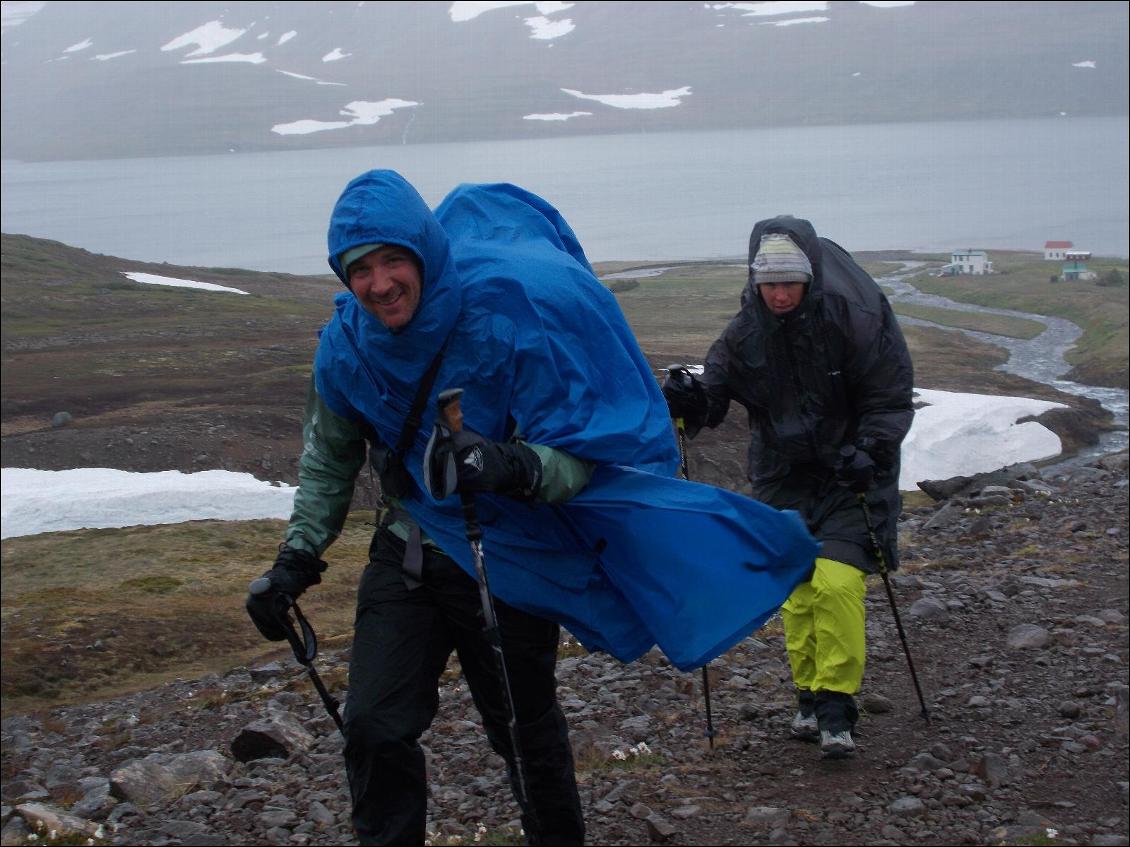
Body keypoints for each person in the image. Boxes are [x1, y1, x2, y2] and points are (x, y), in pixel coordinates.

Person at [246, 171, 818, 845]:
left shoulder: (503, 320)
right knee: (372, 725)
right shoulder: (345, 350)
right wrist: (295, 562)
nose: (379, 283)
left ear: (425, 253)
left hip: (512, 556)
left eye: (393, 260)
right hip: (410, 549)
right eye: (360, 269)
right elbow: (328, 460)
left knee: (522, 728)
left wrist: (513, 464)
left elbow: (582, 454)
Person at [662, 215, 914, 759]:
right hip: (782, 477)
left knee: (837, 585)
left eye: (790, 283)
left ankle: (837, 706)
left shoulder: (854, 319)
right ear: (755, 283)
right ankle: (807, 696)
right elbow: (714, 398)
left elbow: (889, 395)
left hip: (853, 473)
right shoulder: (743, 335)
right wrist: (688, 402)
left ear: (810, 279)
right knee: (798, 590)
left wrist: (871, 450)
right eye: (769, 284)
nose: (780, 294)